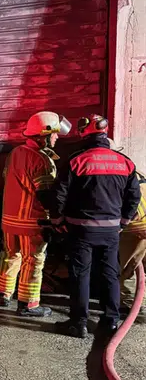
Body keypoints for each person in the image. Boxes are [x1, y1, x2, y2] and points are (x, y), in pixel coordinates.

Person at [52, 115, 141, 338]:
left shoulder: (76, 161)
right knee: (110, 273)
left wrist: (57, 220)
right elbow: (134, 196)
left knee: (80, 274)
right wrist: (123, 222)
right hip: (111, 230)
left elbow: (59, 194)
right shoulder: (125, 162)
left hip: (81, 229)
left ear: (85, 134)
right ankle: (111, 321)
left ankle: (78, 323)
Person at [0, 111, 71, 316]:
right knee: (33, 260)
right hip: (32, 222)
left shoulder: (15, 153)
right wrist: (57, 218)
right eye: (54, 134)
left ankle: (3, 294)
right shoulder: (42, 160)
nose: (56, 138)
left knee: (10, 255)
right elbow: (46, 195)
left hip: (10, 220)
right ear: (43, 136)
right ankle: (28, 304)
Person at [109, 139, 146, 320]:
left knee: (128, 267)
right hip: (143, 224)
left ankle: (131, 305)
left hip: (134, 227)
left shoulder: (116, 172)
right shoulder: (135, 169)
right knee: (141, 264)